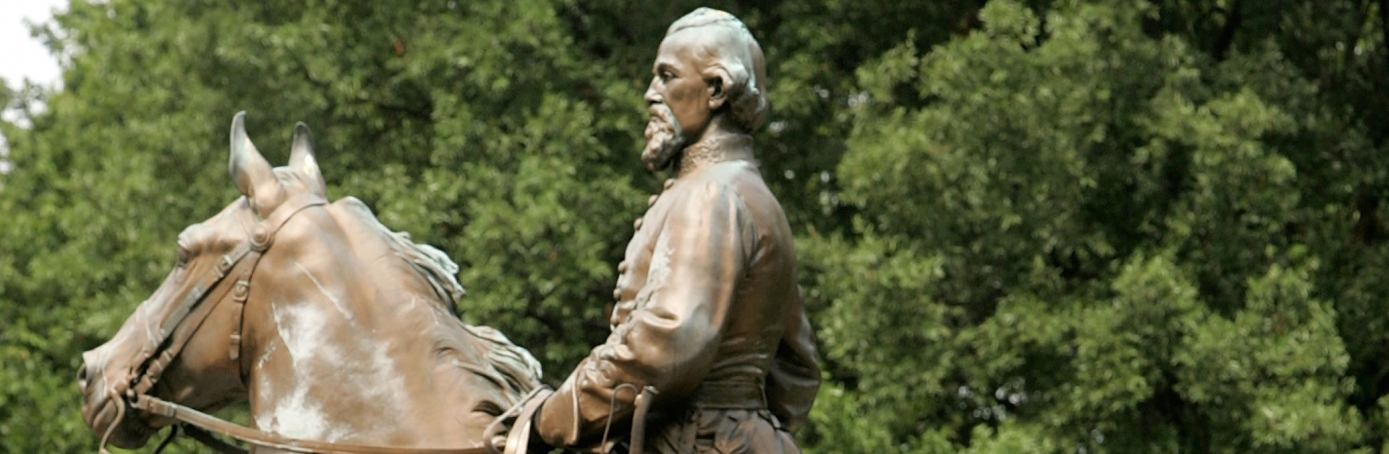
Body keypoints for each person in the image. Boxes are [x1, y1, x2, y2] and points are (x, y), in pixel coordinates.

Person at [495, 7, 820, 454]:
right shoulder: (757, 198)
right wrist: (753, 433)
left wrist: (548, 420)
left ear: (717, 89)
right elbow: (796, 372)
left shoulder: (709, 195)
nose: (651, 94)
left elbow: (665, 343)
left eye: (667, 77)